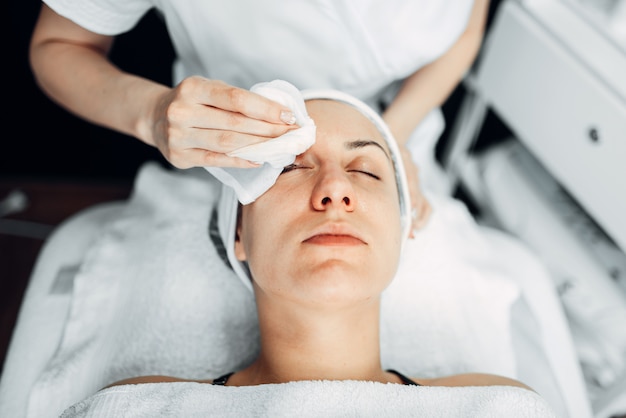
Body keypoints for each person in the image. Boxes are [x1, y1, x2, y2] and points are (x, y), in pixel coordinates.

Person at [102, 91, 531, 392]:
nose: (335, 190)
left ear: (401, 232)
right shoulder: (141, 406)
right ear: (238, 232)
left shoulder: (494, 405)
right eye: (289, 168)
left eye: (366, 170)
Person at [28, 0, 491, 234]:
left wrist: (392, 138)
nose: (336, 193)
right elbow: (59, 46)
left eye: (359, 167)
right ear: (238, 243)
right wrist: (150, 113)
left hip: (403, 137)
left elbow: (468, 24)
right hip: (223, 150)